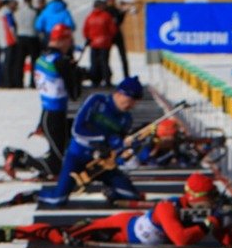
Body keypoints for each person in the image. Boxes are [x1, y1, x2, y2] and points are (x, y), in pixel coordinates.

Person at [0, 171, 232, 248]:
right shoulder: (168, 207)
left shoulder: (204, 213)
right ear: (195, 198)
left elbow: (228, 241)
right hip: (118, 228)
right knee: (59, 235)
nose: (212, 205)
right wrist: (210, 223)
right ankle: (1, 233)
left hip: (129, 231)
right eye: (209, 200)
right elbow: (181, 238)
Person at [27, 76, 145, 207]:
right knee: (58, 200)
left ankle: (109, 191)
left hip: (101, 165)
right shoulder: (97, 101)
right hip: (77, 158)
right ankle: (34, 195)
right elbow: (78, 129)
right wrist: (106, 139)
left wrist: (129, 150)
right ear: (119, 93)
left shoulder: (126, 119)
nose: (132, 104)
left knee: (131, 195)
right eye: (130, 99)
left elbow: (118, 148)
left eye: (135, 101)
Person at [2, 25, 79, 178]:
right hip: (55, 116)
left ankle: (31, 161)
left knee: (57, 154)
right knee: (57, 166)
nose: (70, 45)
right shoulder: (60, 61)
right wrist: (75, 73)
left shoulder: (42, 57)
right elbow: (75, 94)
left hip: (47, 113)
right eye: (69, 41)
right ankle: (17, 156)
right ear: (62, 40)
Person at [82, 0, 116, 87]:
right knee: (104, 62)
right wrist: (109, 38)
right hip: (105, 43)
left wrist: (89, 39)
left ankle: (95, 80)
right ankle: (107, 80)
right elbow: (112, 30)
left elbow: (85, 30)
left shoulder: (89, 17)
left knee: (94, 63)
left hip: (94, 43)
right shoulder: (106, 16)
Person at [103, 0, 135, 79]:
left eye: (113, 0)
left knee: (122, 57)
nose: (112, 1)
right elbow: (116, 20)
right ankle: (107, 77)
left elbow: (119, 21)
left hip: (115, 34)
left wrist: (123, 12)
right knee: (106, 58)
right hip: (109, 35)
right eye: (110, 0)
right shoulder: (106, 10)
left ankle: (126, 76)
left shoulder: (112, 9)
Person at [15, 0, 40, 88]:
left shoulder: (17, 12)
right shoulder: (34, 12)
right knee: (34, 60)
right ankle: (33, 82)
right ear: (31, 0)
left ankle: (19, 82)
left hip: (20, 36)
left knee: (20, 61)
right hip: (32, 36)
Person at [0, 0, 23, 89]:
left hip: (4, 40)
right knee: (9, 62)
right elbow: (11, 27)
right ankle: (8, 82)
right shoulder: (7, 12)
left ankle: (6, 81)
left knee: (6, 62)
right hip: (9, 40)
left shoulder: (1, 12)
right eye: (15, 5)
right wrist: (15, 38)